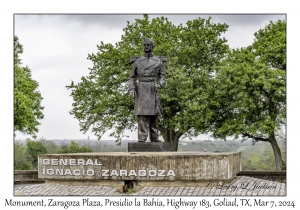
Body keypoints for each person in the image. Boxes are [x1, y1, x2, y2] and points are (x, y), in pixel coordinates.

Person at [128, 38, 166, 142]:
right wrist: (132, 87)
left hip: (153, 88)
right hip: (141, 89)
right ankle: (142, 138)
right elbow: (132, 77)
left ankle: (154, 138)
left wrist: (161, 84)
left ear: (152, 47)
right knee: (142, 115)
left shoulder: (158, 61)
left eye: (148, 45)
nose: (146, 47)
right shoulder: (137, 62)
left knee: (154, 115)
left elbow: (163, 76)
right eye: (144, 45)